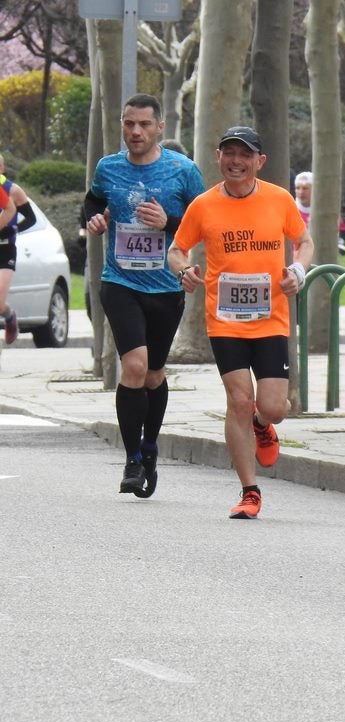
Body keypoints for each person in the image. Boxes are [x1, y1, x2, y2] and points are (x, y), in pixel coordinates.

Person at [169, 126, 313, 519]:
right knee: (237, 398)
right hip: (225, 320)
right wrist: (185, 272)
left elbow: (305, 242)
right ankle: (250, 491)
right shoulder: (203, 205)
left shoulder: (279, 199)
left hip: (271, 320)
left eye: (244, 155)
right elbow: (176, 249)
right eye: (229, 153)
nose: (236, 161)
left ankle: (262, 423)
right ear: (218, 157)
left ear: (259, 162)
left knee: (274, 406)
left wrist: (298, 271)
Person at [82, 94, 206, 497]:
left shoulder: (182, 170)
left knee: (153, 374)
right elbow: (94, 200)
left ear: (159, 128)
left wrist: (169, 222)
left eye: (144, 125)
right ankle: (132, 459)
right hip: (120, 283)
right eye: (129, 124)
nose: (135, 132)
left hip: (166, 286)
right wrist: (94, 220)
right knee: (134, 367)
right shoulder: (109, 167)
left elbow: (203, 220)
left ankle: (150, 445)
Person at [0, 153, 37, 345]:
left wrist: (12, 229)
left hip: (5, 249)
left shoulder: (12, 190)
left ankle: (9, 316)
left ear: (3, 170)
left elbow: (31, 219)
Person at [293, 170, 345, 255]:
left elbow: (342, 230)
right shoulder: (291, 208)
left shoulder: (326, 211)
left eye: (305, 188)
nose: (301, 192)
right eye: (298, 188)